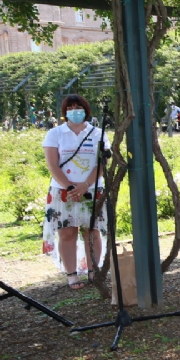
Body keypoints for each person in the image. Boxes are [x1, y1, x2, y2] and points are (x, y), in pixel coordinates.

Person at [42, 95, 110, 290]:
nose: (75, 111)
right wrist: (70, 187)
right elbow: (52, 164)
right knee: (67, 232)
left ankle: (92, 271)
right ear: (65, 112)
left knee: (92, 231)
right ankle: (71, 274)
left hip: (92, 189)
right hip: (63, 191)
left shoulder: (98, 133)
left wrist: (85, 184)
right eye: (70, 107)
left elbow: (102, 163)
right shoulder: (55, 133)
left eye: (78, 107)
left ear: (86, 110)